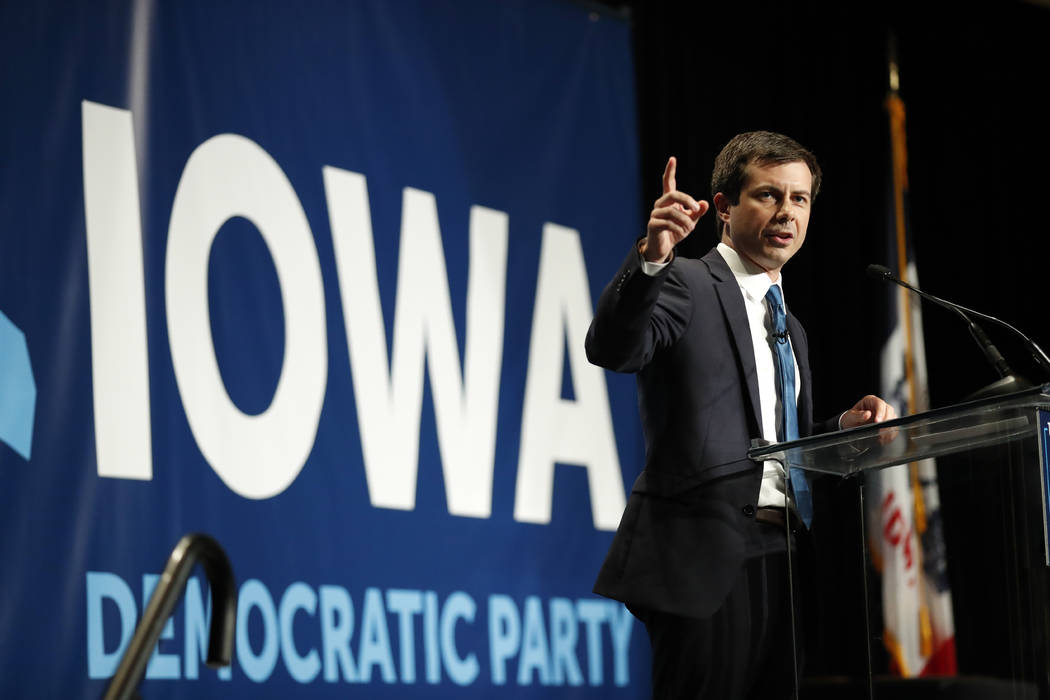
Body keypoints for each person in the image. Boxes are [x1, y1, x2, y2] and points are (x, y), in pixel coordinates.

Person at [586, 131, 895, 699]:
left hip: (785, 560)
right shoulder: (685, 281)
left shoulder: (791, 325)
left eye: (799, 199)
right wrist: (652, 259)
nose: (787, 212)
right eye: (768, 195)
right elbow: (613, 348)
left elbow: (775, 442)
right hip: (705, 555)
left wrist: (838, 432)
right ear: (724, 207)